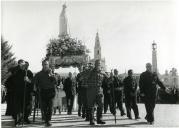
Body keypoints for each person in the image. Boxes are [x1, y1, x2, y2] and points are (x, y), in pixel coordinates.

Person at [34, 60, 56, 127]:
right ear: (42, 65)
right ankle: (46, 120)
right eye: (44, 64)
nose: (45, 66)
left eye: (46, 64)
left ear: (48, 65)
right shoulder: (38, 74)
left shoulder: (52, 73)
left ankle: (48, 120)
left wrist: (52, 75)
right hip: (43, 92)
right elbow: (34, 82)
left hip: (51, 92)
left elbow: (56, 82)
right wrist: (34, 86)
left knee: (50, 107)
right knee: (44, 108)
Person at [12, 59, 33, 126]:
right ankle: (18, 120)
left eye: (24, 64)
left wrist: (28, 80)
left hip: (27, 92)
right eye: (21, 64)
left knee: (27, 106)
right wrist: (18, 66)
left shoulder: (29, 72)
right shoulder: (16, 71)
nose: (24, 66)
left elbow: (32, 82)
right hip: (18, 92)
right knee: (18, 107)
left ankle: (25, 118)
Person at [86, 60, 106, 125]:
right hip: (91, 90)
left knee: (101, 105)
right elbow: (85, 79)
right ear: (95, 64)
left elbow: (107, 81)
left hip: (99, 90)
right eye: (97, 63)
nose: (98, 64)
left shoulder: (102, 72)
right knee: (91, 106)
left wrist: (110, 79)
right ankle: (91, 120)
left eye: (99, 64)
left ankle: (99, 119)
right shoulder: (90, 71)